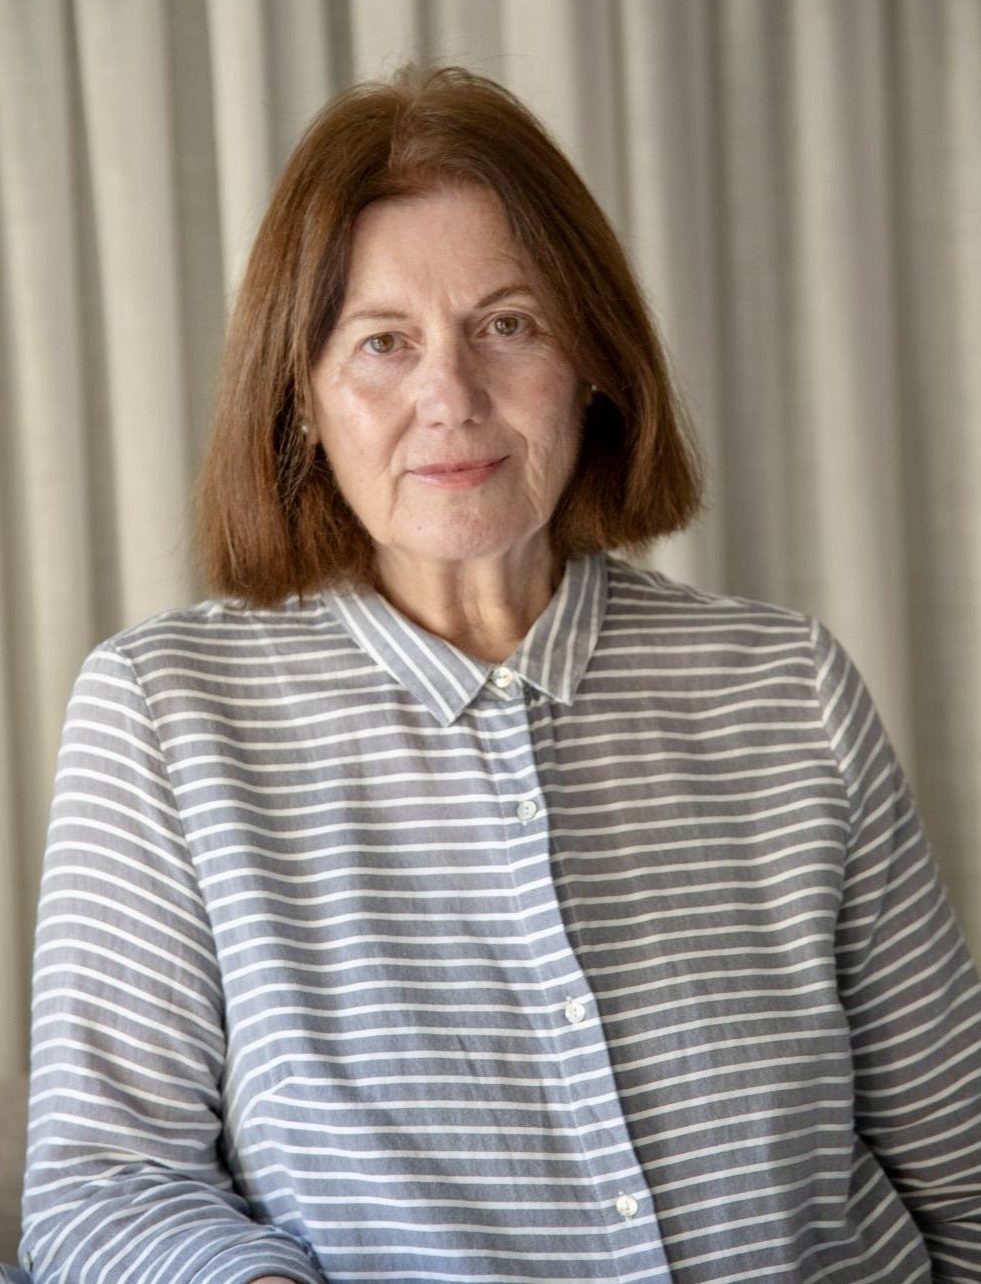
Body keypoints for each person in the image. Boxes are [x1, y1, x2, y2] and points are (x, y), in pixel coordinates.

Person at [14, 64, 981, 1284]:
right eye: (383, 343)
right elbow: (103, 1189)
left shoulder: (790, 686)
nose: (450, 398)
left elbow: (960, 1170)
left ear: (593, 360)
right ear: (301, 399)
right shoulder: (166, 713)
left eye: (507, 325)